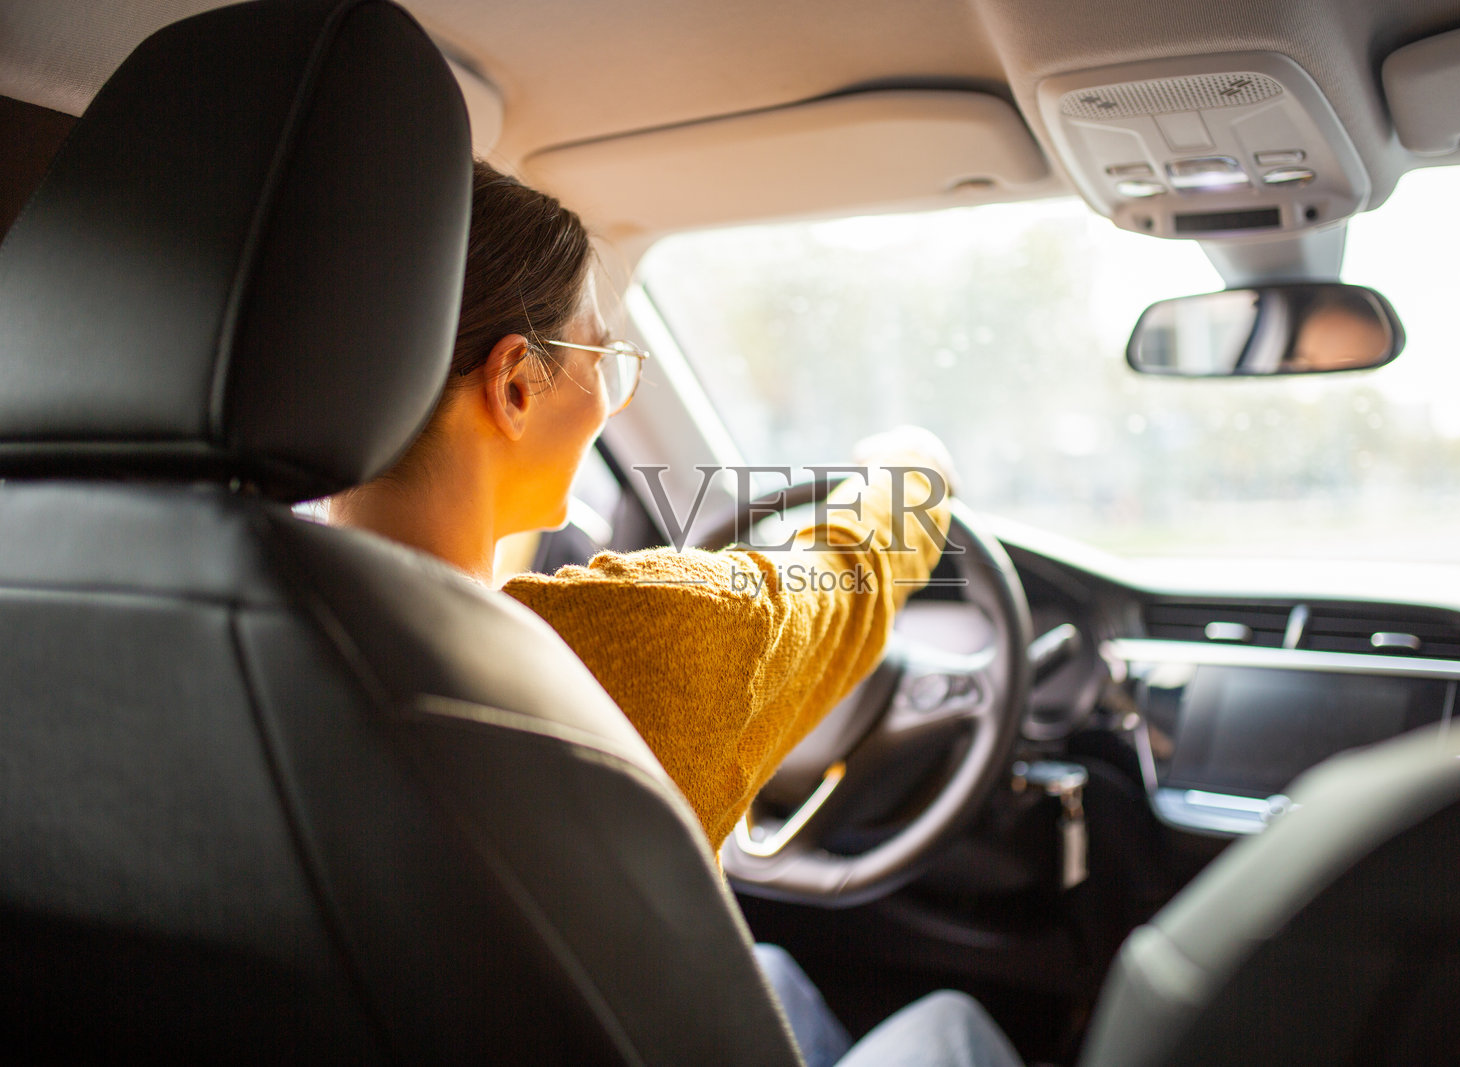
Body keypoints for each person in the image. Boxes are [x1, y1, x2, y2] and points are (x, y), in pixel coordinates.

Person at [330, 161, 1024, 1067]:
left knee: (770, 972)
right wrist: (912, 465)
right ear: (514, 386)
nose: (611, 397)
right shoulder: (636, 639)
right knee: (953, 1031)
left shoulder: (190, 629)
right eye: (606, 362)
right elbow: (852, 576)